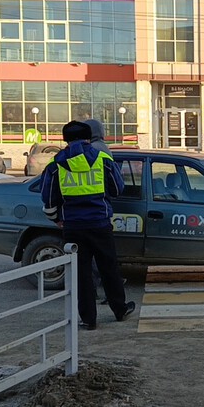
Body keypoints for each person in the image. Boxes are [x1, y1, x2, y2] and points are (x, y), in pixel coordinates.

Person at [41, 121, 135, 330]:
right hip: (100, 224)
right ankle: (119, 310)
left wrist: (56, 218)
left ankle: (88, 320)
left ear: (64, 139)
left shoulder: (55, 164)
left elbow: (48, 198)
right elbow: (118, 189)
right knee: (109, 268)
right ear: (88, 138)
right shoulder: (103, 160)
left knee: (81, 274)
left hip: (73, 227)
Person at [85, 119, 113, 304]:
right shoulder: (104, 148)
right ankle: (111, 296)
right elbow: (115, 183)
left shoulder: (93, 151)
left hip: (91, 211)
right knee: (104, 256)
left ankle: (95, 291)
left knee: (93, 258)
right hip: (102, 210)